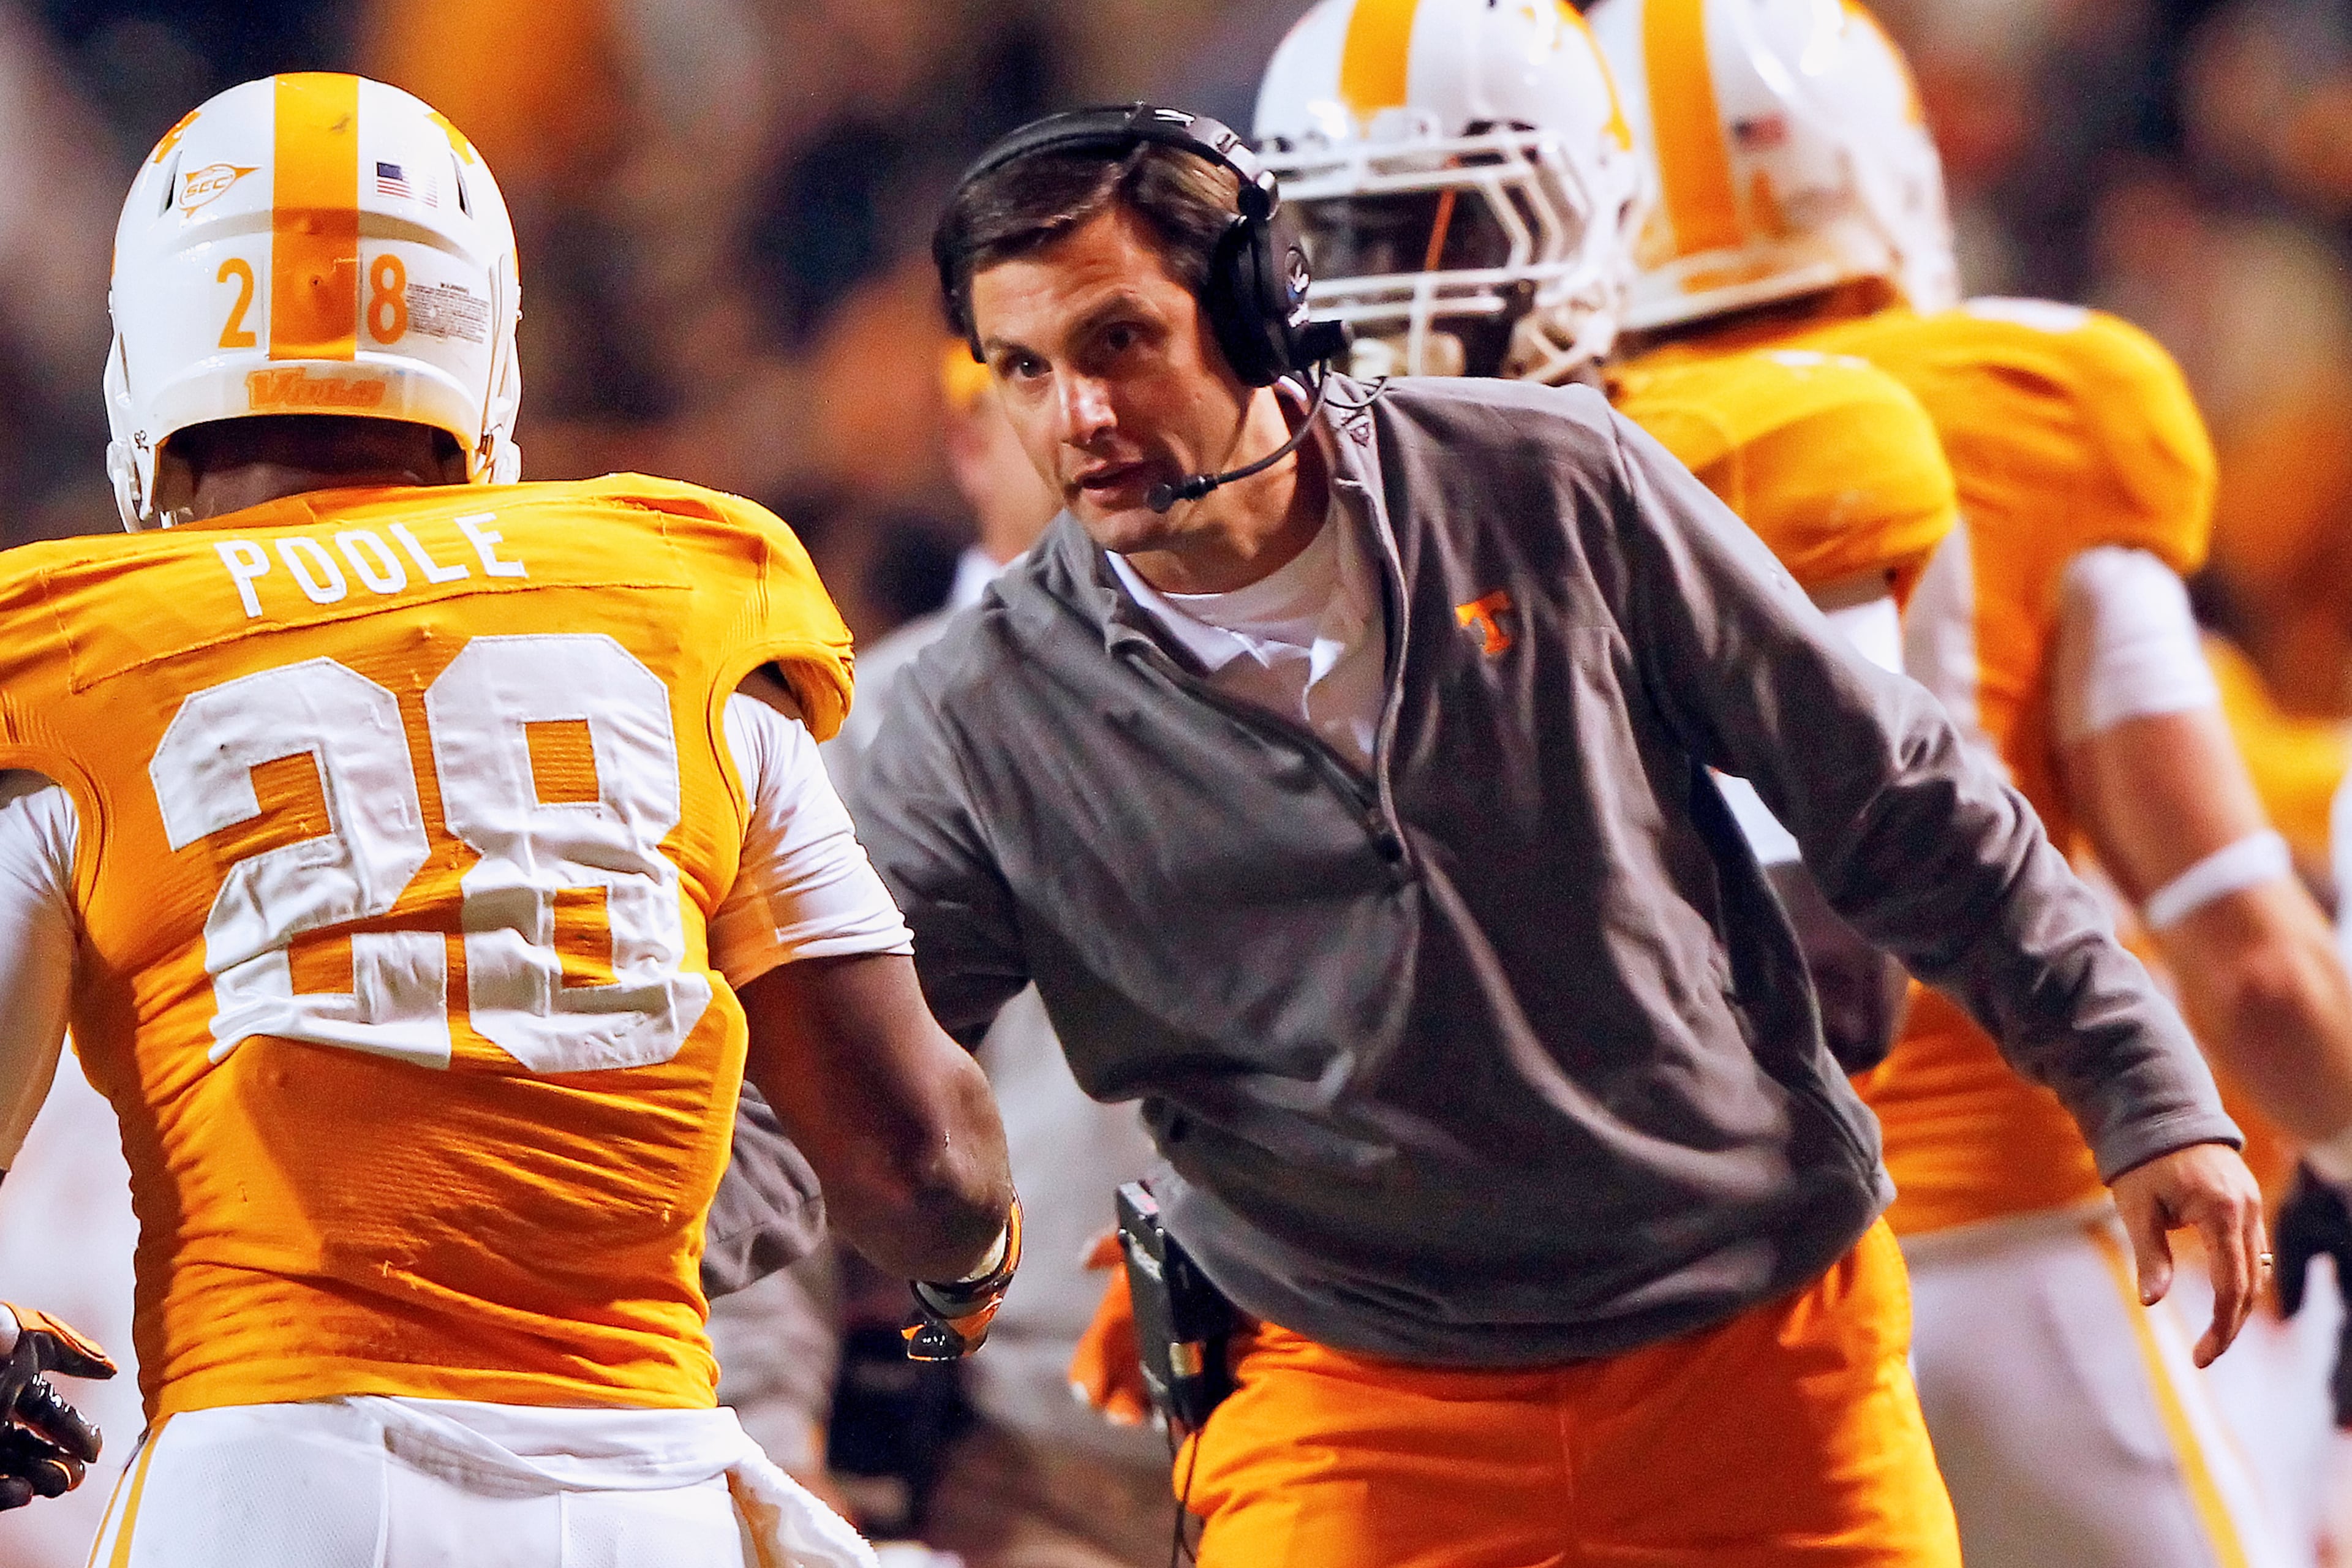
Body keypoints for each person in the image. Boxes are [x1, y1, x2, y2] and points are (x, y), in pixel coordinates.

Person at [853, 94, 2267, 1567]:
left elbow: (1896, 797)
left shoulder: (1554, 481)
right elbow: (827, 1064)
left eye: (1118, 343)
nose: (1074, 417)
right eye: (1024, 369)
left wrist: (2139, 1078)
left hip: (1751, 1337)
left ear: (1264, 311)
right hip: (1351, 1391)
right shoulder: (974, 709)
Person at [0, 72, 1018, 1567]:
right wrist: (965, 1276)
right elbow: (920, 1160)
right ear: (479, 346)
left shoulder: (72, 659)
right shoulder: (686, 609)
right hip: (641, 1492)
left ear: (150, 355)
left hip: (275, 1482)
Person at [1582, 1, 2352, 1562]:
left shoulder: (1531, 473)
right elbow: (2247, 947)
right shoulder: (2040, 410)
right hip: (2033, 1239)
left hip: (1694, 1312)